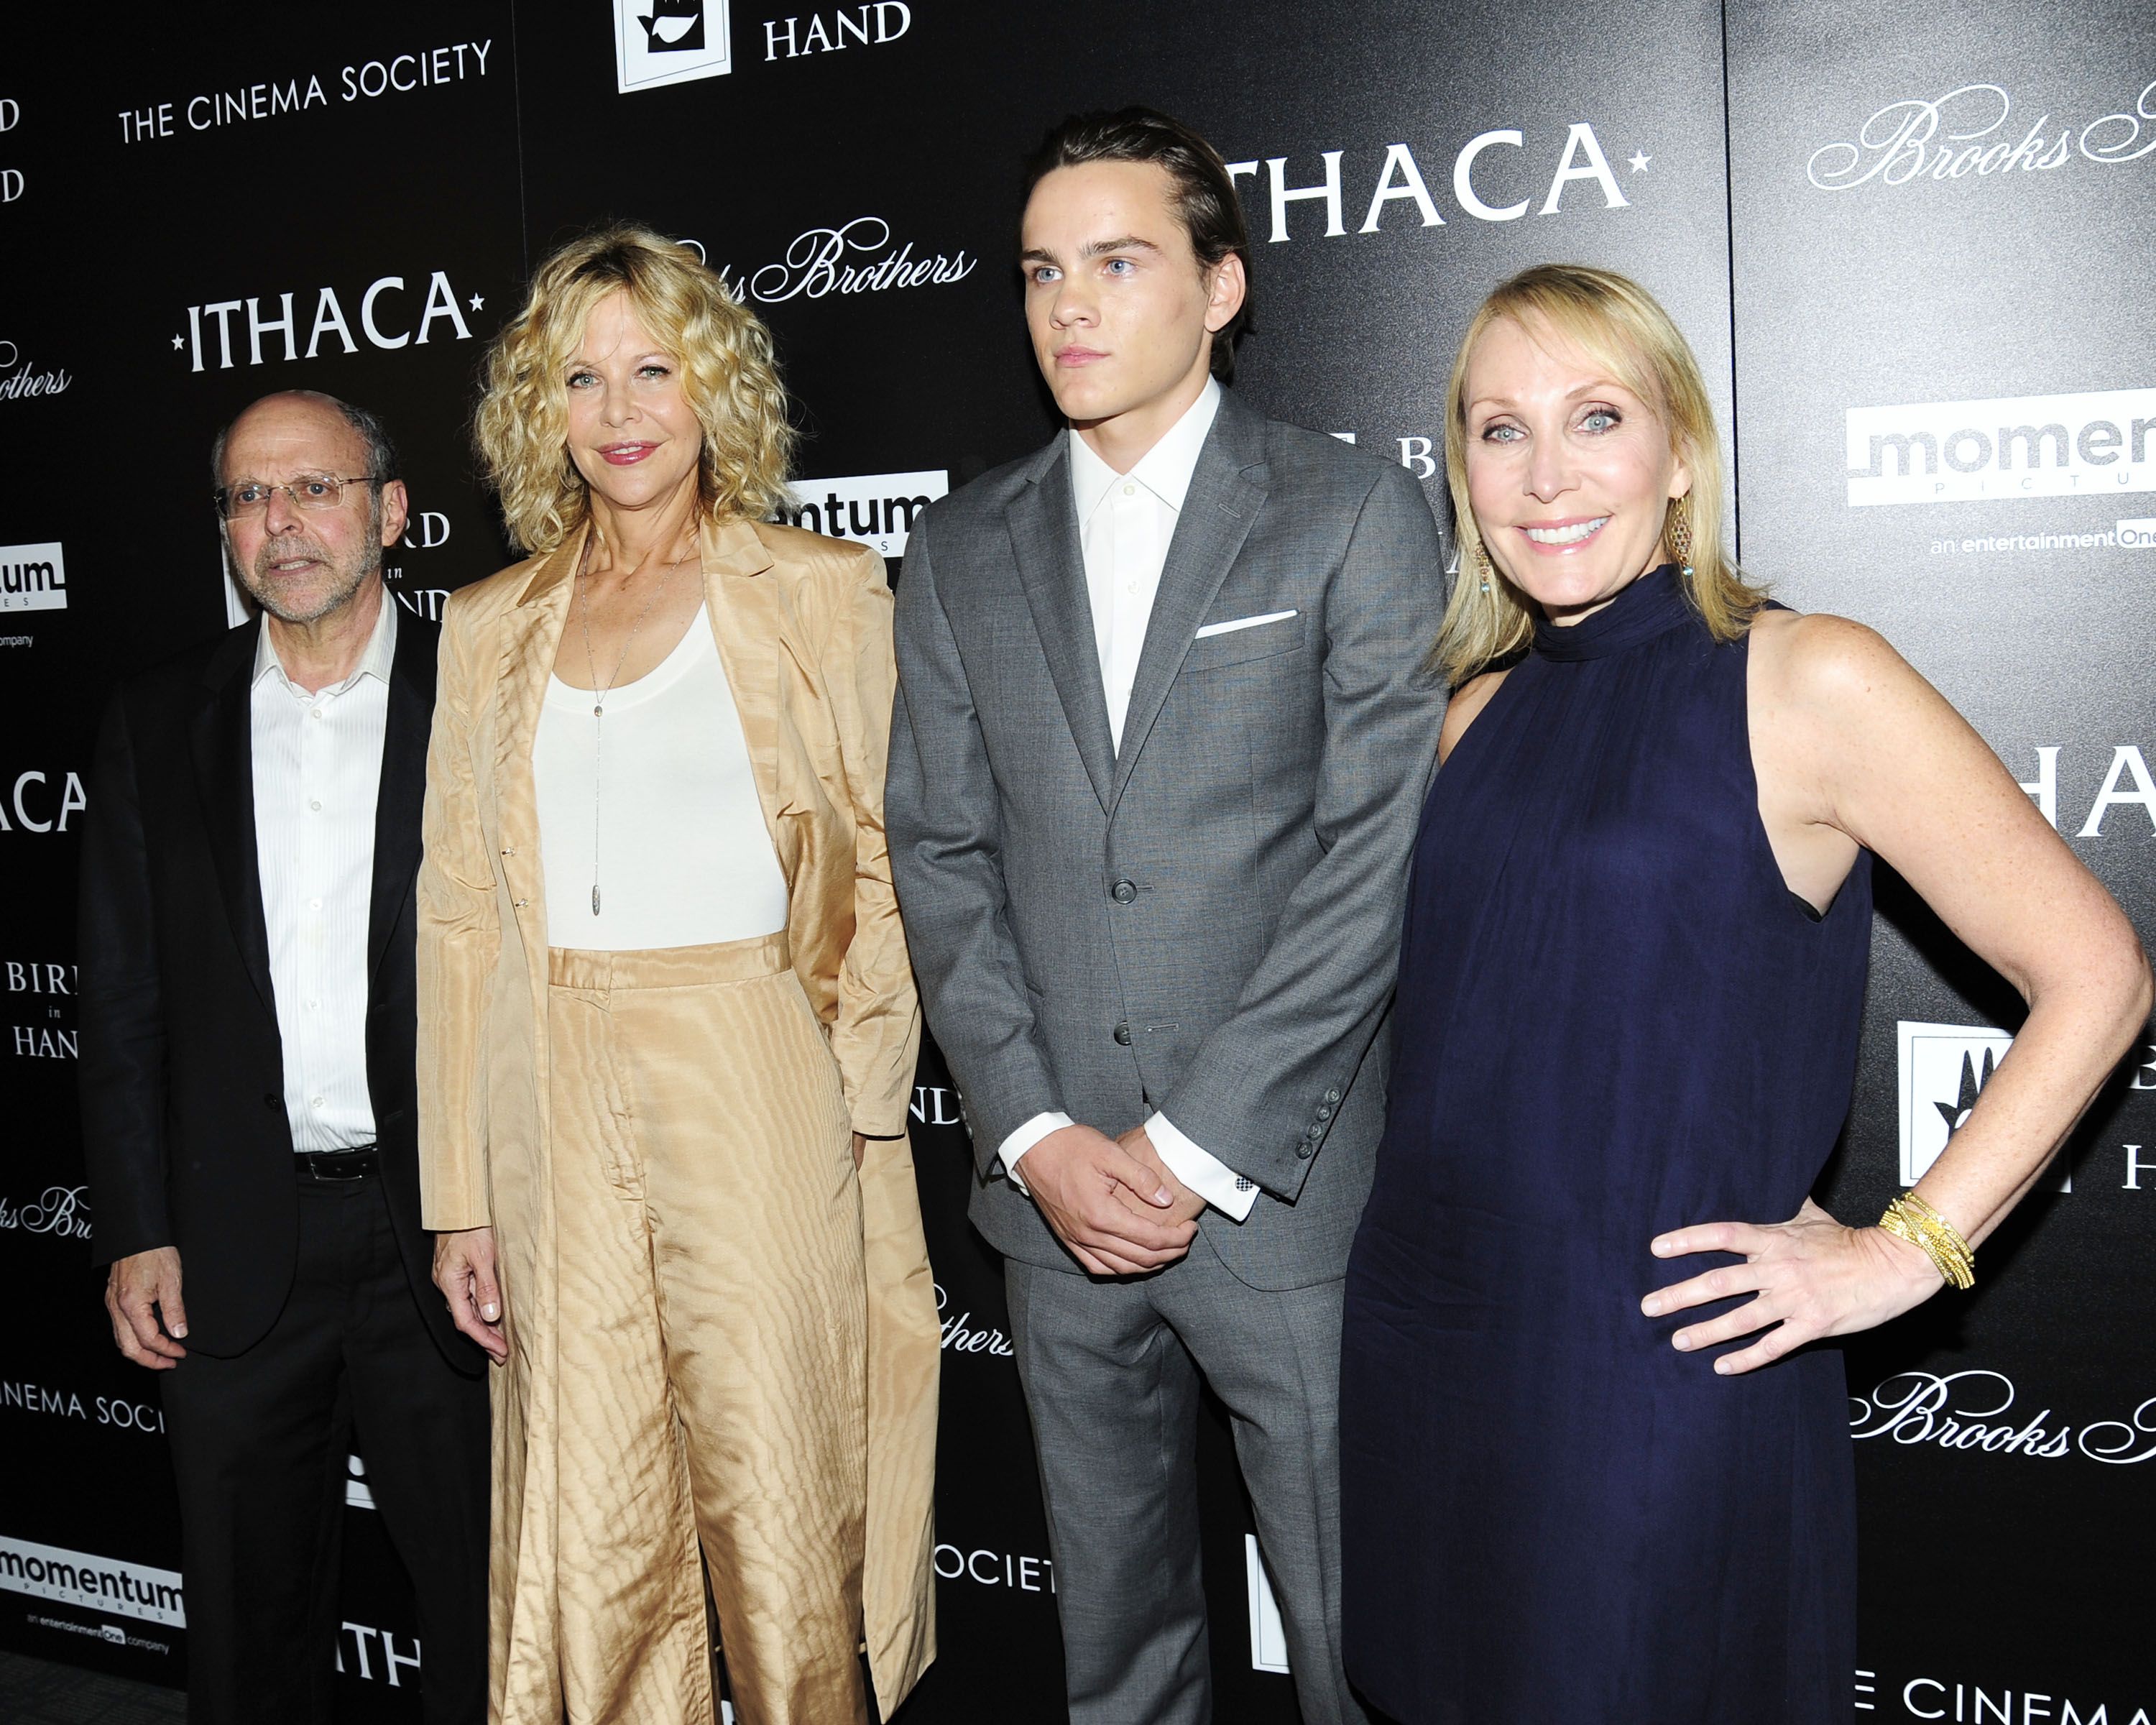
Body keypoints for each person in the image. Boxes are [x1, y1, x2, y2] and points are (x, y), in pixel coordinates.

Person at [1337, 263, 2152, 1724]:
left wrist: (1908, 1252)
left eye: (1597, 418)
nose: (1545, 474)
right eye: (1500, 430)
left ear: (1681, 454)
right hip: (1433, 1348)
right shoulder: (1471, 717)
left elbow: (2097, 973)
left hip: (1657, 1378)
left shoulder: (1807, 679)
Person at [888, 108, 1446, 1725]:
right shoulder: (959, 547)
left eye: (1118, 263)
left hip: (1286, 1197)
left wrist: (1195, 1147)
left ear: (1222, 287)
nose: (1069, 304)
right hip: (1053, 1200)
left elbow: (1372, 862)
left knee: (1353, 1644)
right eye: (1041, 271)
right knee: (1117, 1649)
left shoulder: (1352, 512)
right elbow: (940, 855)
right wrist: (1035, 1133)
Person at [417, 224, 937, 1725]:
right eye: (582, 379)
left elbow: (893, 860)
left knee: (784, 1498)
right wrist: (461, 1192)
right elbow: (459, 915)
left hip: (752, 1061)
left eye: (653, 368)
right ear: (544, 411)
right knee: (589, 1522)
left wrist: (856, 1098)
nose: (622, 409)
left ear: (713, 387)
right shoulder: (487, 624)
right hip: (548, 1087)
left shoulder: (821, 590)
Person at [76, 391, 490, 1724]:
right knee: (250, 1640)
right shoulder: (157, 720)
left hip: (455, 1238)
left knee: (492, 1623)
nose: (283, 523)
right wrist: (137, 1228)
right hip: (231, 1244)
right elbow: (121, 998)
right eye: (250, 498)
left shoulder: (485, 695)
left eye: (315, 488)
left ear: (391, 511)